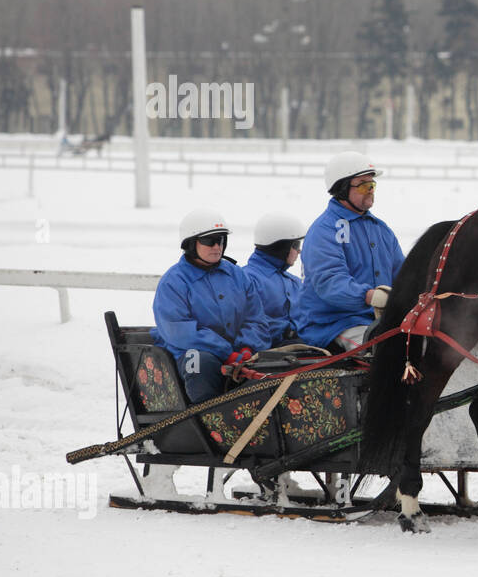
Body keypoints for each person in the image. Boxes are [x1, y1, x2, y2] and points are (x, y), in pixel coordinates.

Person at [151, 208, 269, 403]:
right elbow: (180, 331)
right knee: (200, 362)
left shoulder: (237, 275)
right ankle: (208, 421)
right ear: (190, 243)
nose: (217, 246)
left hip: (240, 355)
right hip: (191, 354)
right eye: (209, 241)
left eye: (221, 240)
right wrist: (226, 352)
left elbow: (256, 318)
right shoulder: (174, 282)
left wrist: (247, 348)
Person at [295, 151, 405, 353]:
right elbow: (330, 282)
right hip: (334, 324)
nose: (371, 190)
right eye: (364, 185)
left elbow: (404, 274)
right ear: (342, 188)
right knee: (386, 351)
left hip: (376, 320)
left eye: (372, 185)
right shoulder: (324, 230)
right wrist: (370, 296)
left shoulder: (381, 229)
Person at [244, 212, 306, 348]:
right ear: (280, 247)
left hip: (304, 347)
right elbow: (247, 322)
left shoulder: (295, 282)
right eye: (295, 245)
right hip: (267, 354)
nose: (299, 251)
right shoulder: (247, 279)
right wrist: (288, 331)